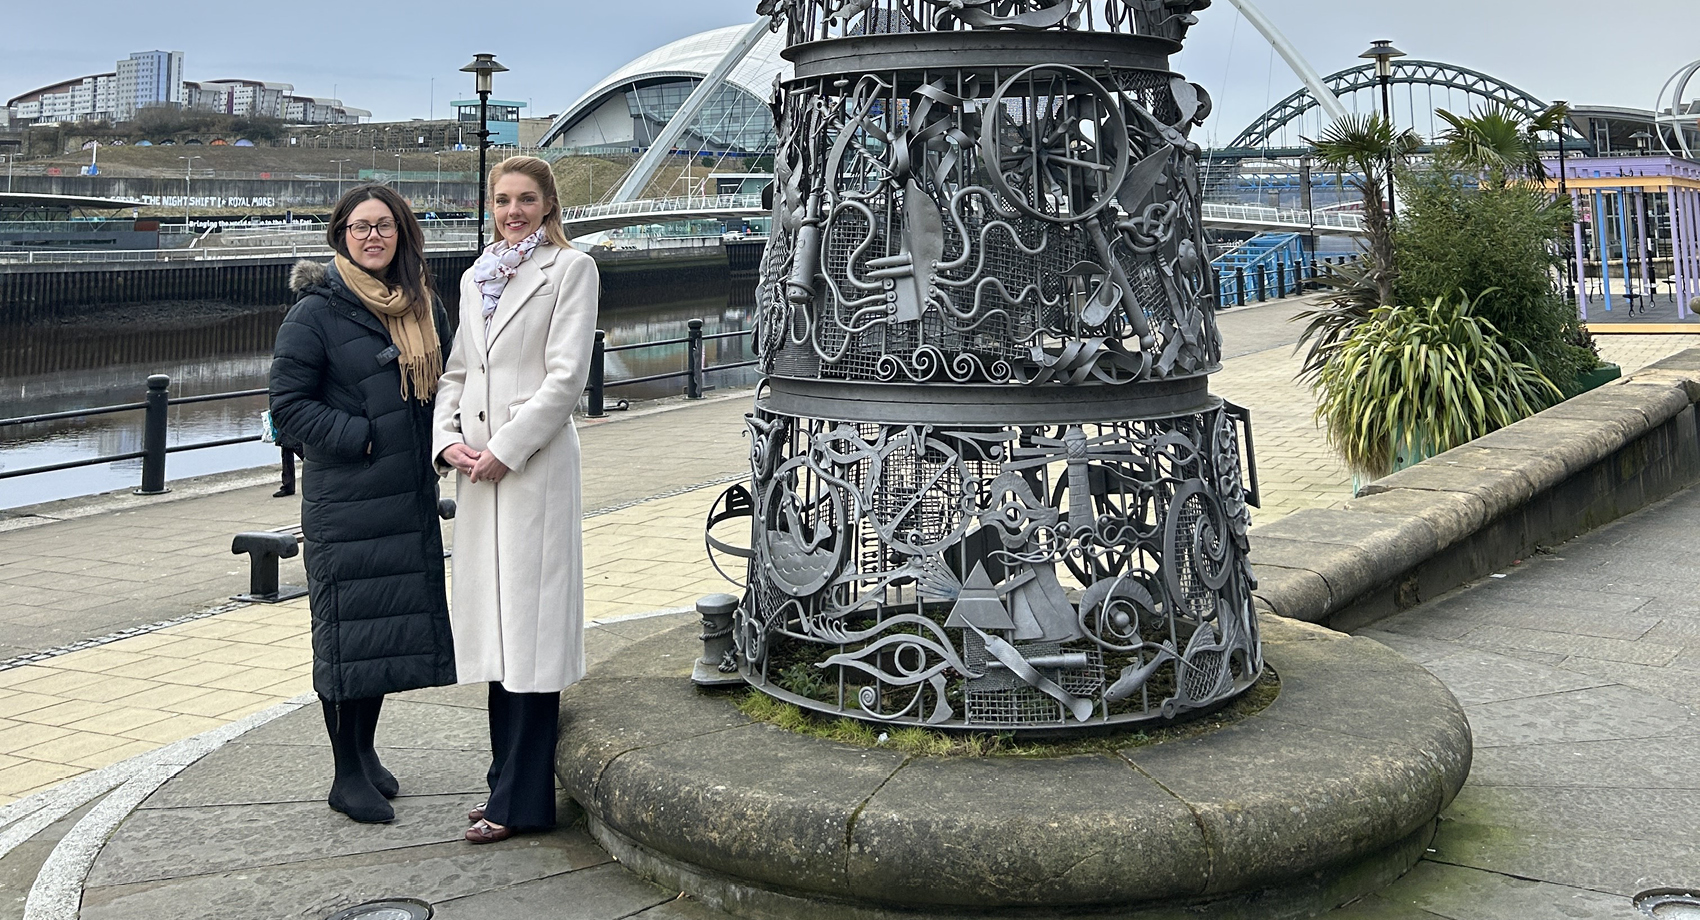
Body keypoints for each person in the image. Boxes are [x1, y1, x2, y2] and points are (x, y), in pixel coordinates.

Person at [269, 184, 457, 824]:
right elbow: (288, 409)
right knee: (347, 637)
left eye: (383, 225)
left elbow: (447, 389)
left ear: (402, 232)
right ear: (341, 236)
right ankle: (345, 774)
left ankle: (366, 754)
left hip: (406, 497)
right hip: (346, 502)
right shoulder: (315, 311)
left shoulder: (423, 304)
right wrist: (364, 436)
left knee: (382, 633)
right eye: (359, 227)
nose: (372, 237)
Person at [432, 155, 599, 844]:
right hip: (478, 473)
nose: (513, 212)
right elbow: (457, 371)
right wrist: (447, 441)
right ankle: (503, 778)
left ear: (549, 204)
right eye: (502, 200)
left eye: (526, 199)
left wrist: (507, 447)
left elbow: (566, 379)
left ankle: (524, 800)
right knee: (497, 631)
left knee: (531, 631)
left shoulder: (571, 270)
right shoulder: (477, 275)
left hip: (531, 470)